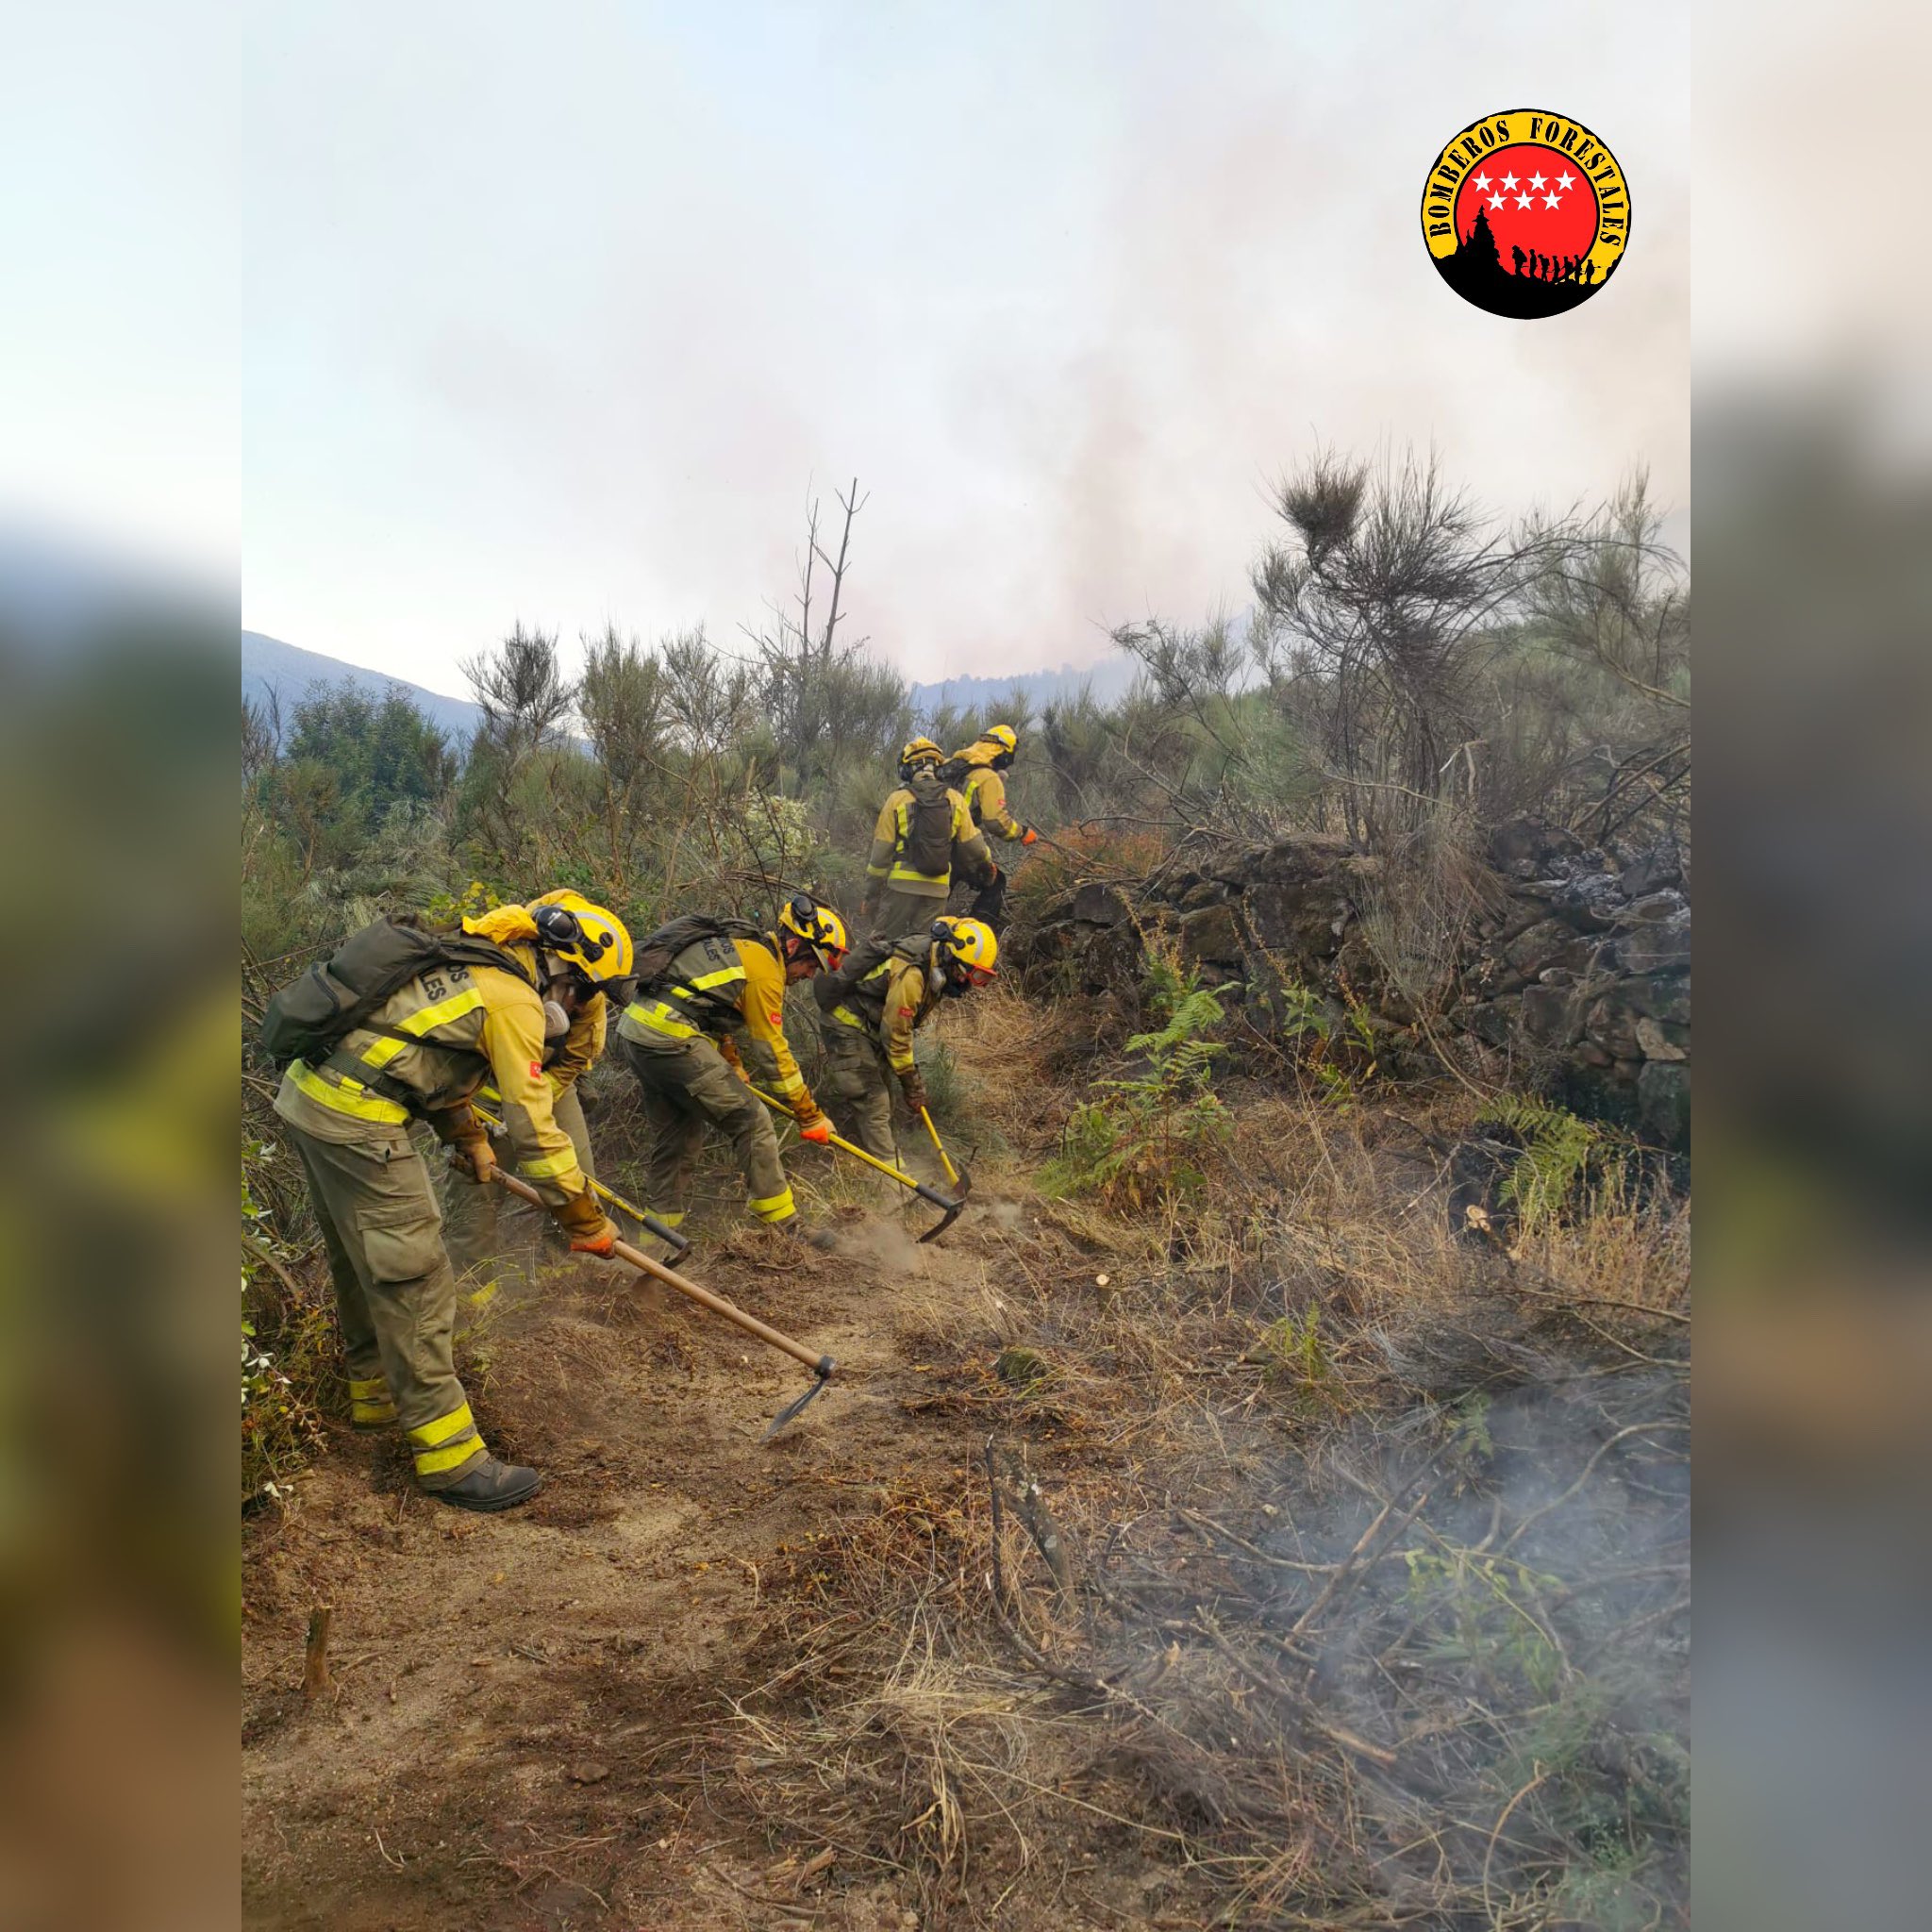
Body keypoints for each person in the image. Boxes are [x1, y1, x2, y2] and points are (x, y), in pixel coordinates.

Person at [268, 897, 634, 1510]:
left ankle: (376, 1405)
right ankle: (453, 1460)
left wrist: (465, 1137)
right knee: (417, 1278)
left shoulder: (474, 968)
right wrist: (584, 1220)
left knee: (365, 1267)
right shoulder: (514, 1000)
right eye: (585, 994)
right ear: (562, 973)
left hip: (311, 1102)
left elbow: (421, 1054)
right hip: (358, 1120)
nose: (580, 1010)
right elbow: (536, 1132)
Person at [613, 895, 848, 1244]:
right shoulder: (764, 970)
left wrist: (733, 1063)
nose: (809, 975)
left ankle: (656, 1240)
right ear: (795, 944)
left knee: (679, 1136)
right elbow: (773, 1052)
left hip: (636, 1033)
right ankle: (786, 1228)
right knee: (751, 1121)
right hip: (668, 1037)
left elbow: (709, 1006)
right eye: (811, 965)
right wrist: (809, 1114)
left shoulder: (743, 948)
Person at [441, 888, 618, 1287]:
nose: (583, 1003)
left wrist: (539, 1097)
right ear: (555, 962)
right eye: (582, 992)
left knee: (578, 1177)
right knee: (478, 1188)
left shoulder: (589, 990)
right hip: (480, 1092)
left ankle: (565, 1276)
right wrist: (509, 1116)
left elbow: (575, 1056)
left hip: (548, 1084)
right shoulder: (499, 976)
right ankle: (473, 1293)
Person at [814, 916, 998, 1170]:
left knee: (884, 1100)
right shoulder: (913, 974)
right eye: (968, 974)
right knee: (873, 1099)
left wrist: (909, 1082)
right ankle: (892, 1181)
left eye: (979, 978)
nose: (966, 983)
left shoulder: (934, 966)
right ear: (952, 956)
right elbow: (897, 1036)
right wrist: (912, 1086)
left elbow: (900, 1032)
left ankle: (862, 1152)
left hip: (870, 1030)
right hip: (847, 1025)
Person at [860, 738, 995, 942]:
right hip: (937, 890)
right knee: (924, 950)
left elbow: (880, 857)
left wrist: (871, 895)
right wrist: (988, 865)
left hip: (900, 889)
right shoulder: (955, 799)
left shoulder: (897, 799)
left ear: (907, 770)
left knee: (884, 947)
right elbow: (974, 847)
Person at [944, 724, 1039, 931]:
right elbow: (995, 821)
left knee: (936, 898)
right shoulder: (987, 776)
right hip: (960, 846)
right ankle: (977, 937)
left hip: (932, 844)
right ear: (1005, 754)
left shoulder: (951, 766)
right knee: (995, 882)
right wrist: (1022, 832)